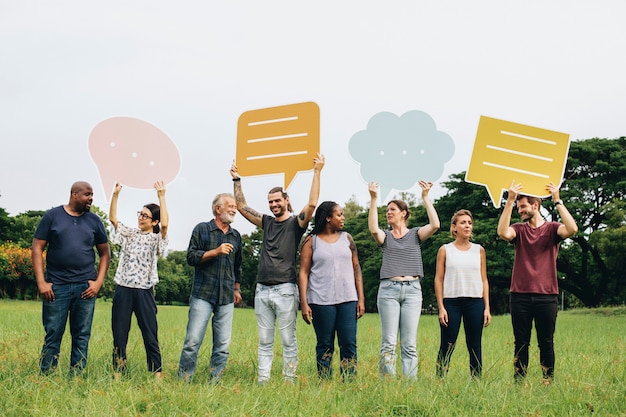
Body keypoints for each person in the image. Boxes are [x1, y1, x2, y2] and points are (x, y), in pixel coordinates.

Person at [230, 153, 325, 384]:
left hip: (285, 289)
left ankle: (288, 380)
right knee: (264, 340)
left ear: (286, 200)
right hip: (262, 290)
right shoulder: (267, 222)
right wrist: (236, 180)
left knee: (288, 340)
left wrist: (317, 171)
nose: (273, 205)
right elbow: (242, 206)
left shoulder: (296, 224)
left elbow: (312, 204)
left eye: (277, 201)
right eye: (270, 202)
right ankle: (263, 381)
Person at [497, 181, 578, 384]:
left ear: (536, 205)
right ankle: (519, 382)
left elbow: (572, 229)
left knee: (546, 342)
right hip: (520, 296)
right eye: (518, 208)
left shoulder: (552, 229)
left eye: (523, 207)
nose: (520, 211)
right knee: (521, 342)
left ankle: (547, 381)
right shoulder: (518, 229)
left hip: (546, 296)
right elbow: (502, 232)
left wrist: (557, 200)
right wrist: (510, 201)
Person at [32, 181, 111, 375]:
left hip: (85, 287)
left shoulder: (94, 221)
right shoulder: (53, 216)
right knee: (53, 334)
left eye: (92, 195)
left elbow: (105, 253)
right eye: (87, 194)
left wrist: (98, 282)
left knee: (82, 336)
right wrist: (41, 282)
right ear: (74, 194)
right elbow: (36, 248)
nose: (91, 198)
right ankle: (46, 376)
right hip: (56, 287)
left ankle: (77, 377)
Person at [367, 180, 440, 379]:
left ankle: (410, 385)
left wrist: (425, 197)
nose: (388, 212)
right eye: (387, 210)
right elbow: (374, 229)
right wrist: (374, 199)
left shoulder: (416, 234)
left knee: (409, 343)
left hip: (413, 291)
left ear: (404, 213)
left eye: (392, 209)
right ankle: (388, 384)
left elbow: (435, 224)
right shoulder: (386, 237)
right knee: (389, 342)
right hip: (389, 290)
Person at [178, 193, 242, 384]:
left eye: (234, 206)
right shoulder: (202, 229)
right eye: (230, 206)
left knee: (222, 345)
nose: (234, 209)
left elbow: (238, 265)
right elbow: (191, 257)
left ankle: (215, 382)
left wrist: (237, 289)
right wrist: (215, 252)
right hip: (202, 295)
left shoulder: (235, 236)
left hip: (226, 297)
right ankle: (184, 380)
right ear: (218, 209)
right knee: (192, 342)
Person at [298, 201, 365, 381]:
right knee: (325, 344)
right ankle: (324, 382)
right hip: (320, 301)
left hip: (348, 299)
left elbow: (356, 269)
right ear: (328, 218)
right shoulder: (311, 241)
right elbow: (303, 273)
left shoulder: (347, 239)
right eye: (339, 215)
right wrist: (304, 303)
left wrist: (361, 299)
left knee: (349, 343)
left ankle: (349, 381)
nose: (343, 218)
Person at [109, 181, 169, 379]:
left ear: (154, 222)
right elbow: (113, 219)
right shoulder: (130, 234)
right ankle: (118, 372)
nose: (141, 218)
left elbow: (166, 224)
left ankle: (156, 374)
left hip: (144, 291)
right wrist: (116, 194)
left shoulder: (156, 238)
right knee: (119, 333)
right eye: (140, 214)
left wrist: (161, 195)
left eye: (146, 216)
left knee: (150, 334)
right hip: (123, 289)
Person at [434, 209, 491, 378]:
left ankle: (476, 381)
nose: (467, 226)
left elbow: (484, 280)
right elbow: (438, 279)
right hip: (451, 303)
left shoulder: (479, 250)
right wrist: (441, 307)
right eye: (463, 223)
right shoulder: (445, 250)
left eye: (469, 223)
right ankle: (440, 380)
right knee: (448, 343)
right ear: (454, 227)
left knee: (474, 345)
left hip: (475, 302)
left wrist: (487, 307)